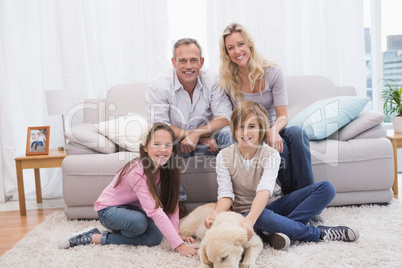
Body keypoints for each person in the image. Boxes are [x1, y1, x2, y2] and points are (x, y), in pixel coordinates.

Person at [204, 100, 359, 251]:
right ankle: (317, 234)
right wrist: (215, 214)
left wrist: (252, 220)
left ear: (262, 129)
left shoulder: (271, 154)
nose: (245, 132)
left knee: (327, 188)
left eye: (251, 126)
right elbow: (226, 195)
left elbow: (264, 190)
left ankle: (278, 232)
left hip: (273, 205)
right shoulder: (224, 156)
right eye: (240, 127)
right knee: (263, 216)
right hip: (245, 213)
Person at [58, 123, 198, 257]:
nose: (163, 149)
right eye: (156, 144)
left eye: (168, 145)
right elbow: (154, 210)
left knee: (155, 237)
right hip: (108, 210)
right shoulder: (136, 171)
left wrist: (176, 233)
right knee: (138, 223)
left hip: (132, 210)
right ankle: (92, 237)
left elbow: (173, 204)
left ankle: (115, 231)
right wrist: (179, 246)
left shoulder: (167, 168)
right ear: (145, 147)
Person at [219, 23, 314, 196]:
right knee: (281, 147)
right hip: (251, 133)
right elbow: (229, 118)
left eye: (240, 44)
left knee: (297, 133)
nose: (237, 51)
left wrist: (273, 131)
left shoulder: (273, 72)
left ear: (249, 44)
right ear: (226, 54)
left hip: (272, 127)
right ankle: (294, 202)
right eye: (230, 48)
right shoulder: (227, 81)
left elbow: (283, 116)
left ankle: (309, 199)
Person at [145, 38, 233, 158]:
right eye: (182, 61)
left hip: (210, 141)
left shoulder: (213, 81)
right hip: (176, 143)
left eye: (193, 60)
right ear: (174, 62)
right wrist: (195, 136)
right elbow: (159, 125)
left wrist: (197, 134)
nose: (188, 66)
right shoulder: (159, 85)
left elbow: (225, 117)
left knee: (228, 135)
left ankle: (239, 176)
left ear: (201, 62)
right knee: (159, 140)